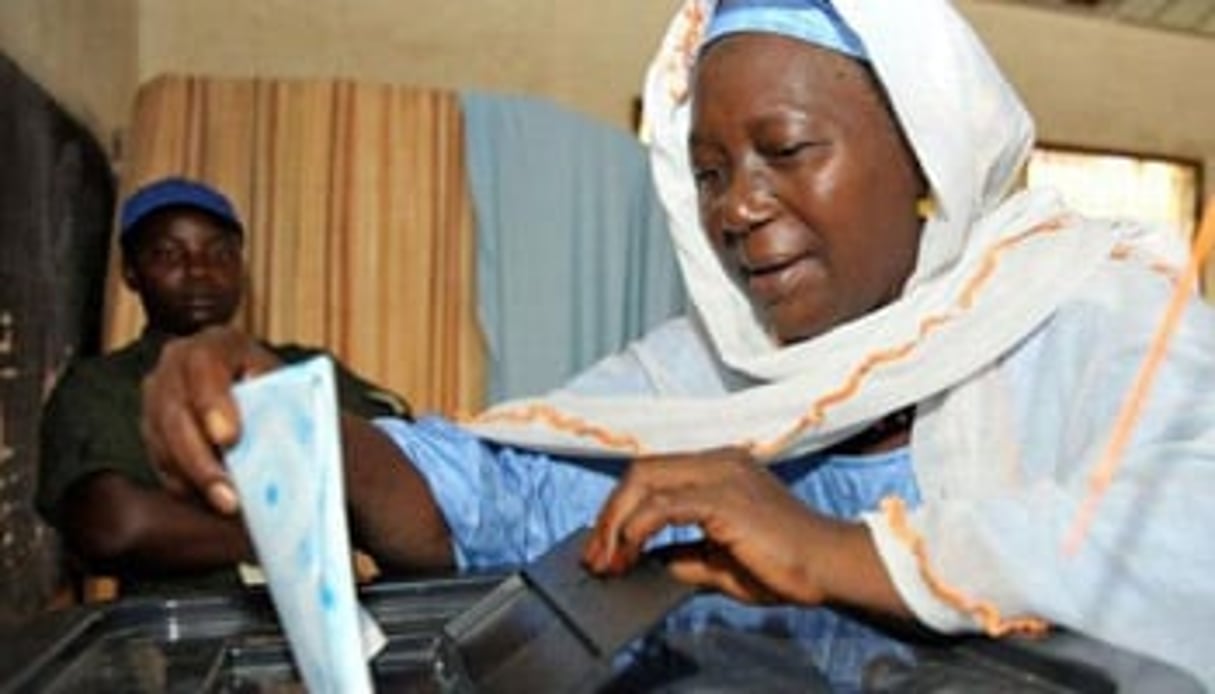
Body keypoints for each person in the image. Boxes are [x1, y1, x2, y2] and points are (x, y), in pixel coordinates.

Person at [139, 0, 1215, 687]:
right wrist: (289, 408)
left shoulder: (1085, 305)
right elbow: (493, 495)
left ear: (924, 151)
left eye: (786, 150)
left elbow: (1187, 531)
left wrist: (833, 550)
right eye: (708, 171)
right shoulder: (706, 371)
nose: (739, 207)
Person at [36, 177, 410, 596]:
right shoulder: (99, 385)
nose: (199, 271)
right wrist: (291, 527)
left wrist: (196, 523)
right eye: (168, 254)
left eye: (220, 252)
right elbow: (116, 525)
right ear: (131, 272)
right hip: (180, 641)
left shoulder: (300, 369)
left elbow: (413, 478)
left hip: (330, 629)